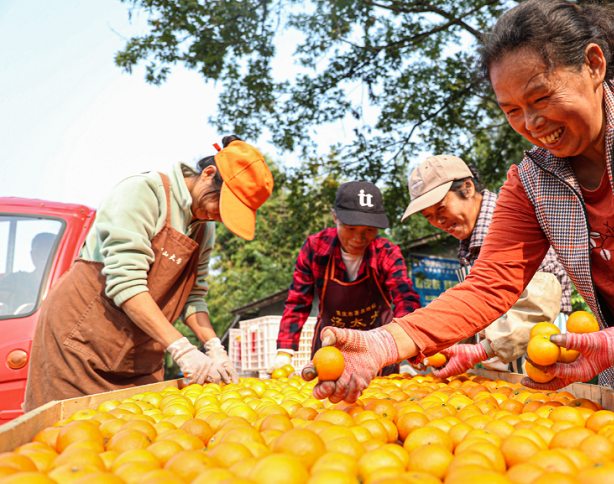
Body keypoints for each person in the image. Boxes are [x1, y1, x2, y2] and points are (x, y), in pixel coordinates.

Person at [304, 0, 614, 481]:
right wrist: (383, 344)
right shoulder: (532, 183)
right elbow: (488, 285)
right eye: (513, 110)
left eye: (541, 97)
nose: (532, 123)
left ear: (593, 63)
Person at [25, 136, 274, 411]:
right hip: (81, 340)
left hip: (139, 349)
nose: (220, 216)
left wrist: (214, 346)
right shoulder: (143, 192)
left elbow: (192, 298)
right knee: (75, 436)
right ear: (208, 174)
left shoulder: (205, 227)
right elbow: (126, 282)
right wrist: (183, 349)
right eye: (222, 205)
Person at [401, 154, 569, 374]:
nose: (438, 222)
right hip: (504, 364)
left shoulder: (512, 221)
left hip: (542, 355)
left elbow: (537, 304)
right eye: (428, 216)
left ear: (468, 188)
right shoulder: (469, 243)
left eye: (441, 208)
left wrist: (481, 351)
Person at [273, 181, 421, 376]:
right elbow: (298, 301)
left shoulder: (386, 253)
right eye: (350, 228)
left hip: (379, 350)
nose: (359, 238)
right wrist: (284, 352)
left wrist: (409, 344)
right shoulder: (315, 249)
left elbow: (405, 299)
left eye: (369, 230)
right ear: (335, 217)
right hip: (329, 351)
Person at [0, 232, 57, 316]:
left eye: (48, 250)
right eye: (39, 250)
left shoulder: (67, 283)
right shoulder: (17, 280)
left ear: (57, 253)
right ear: (32, 254)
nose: (42, 255)